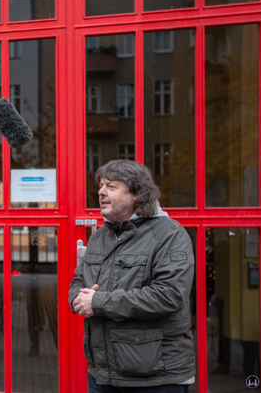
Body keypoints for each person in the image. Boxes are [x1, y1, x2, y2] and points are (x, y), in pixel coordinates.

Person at [69, 159, 195, 392]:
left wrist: (97, 302)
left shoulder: (170, 235)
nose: (101, 192)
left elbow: (169, 295)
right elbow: (79, 279)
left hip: (156, 379)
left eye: (111, 186)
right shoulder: (99, 237)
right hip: (101, 374)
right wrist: (77, 298)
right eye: (100, 185)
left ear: (137, 194)